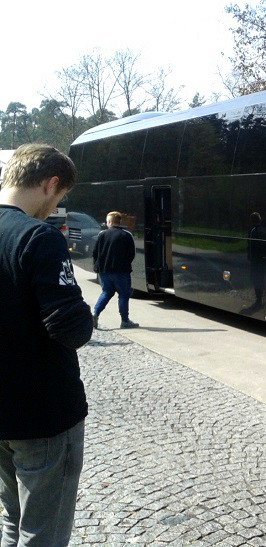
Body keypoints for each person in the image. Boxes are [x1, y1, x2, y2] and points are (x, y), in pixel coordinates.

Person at [0, 143, 93, 546]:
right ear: (51, 184)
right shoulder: (38, 236)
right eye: (59, 198)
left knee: (12, 519)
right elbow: (71, 327)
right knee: (43, 534)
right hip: (42, 413)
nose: (54, 207)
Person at [92, 211, 139, 329]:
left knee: (106, 292)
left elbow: (95, 252)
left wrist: (97, 266)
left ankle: (95, 314)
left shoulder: (102, 234)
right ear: (119, 221)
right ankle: (124, 321)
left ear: (109, 222)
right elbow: (132, 253)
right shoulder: (126, 235)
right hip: (121, 271)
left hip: (104, 271)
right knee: (123, 295)